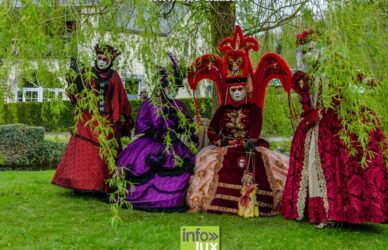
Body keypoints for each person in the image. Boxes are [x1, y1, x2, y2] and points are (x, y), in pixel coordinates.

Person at [280, 30, 388, 227]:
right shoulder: (307, 75)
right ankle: (314, 210)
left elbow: (350, 80)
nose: (309, 54)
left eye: (312, 49)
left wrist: (373, 83)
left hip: (332, 124)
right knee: (310, 164)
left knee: (332, 165)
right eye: (305, 51)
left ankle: (330, 213)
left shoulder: (335, 66)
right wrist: (309, 109)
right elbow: (308, 100)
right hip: (313, 126)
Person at [186, 25, 291, 217]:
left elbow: (254, 131)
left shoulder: (254, 110)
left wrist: (246, 142)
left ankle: (253, 203)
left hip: (249, 148)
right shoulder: (222, 109)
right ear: (228, 91)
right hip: (224, 148)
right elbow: (211, 130)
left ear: (245, 89)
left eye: (239, 90)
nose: (236, 93)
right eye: (233, 90)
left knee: (259, 168)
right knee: (212, 166)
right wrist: (220, 141)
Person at [116, 54, 198, 211]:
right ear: (164, 86)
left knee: (179, 170)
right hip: (152, 144)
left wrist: (184, 127)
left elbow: (187, 125)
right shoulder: (151, 103)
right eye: (170, 87)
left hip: (175, 146)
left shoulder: (179, 105)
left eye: (176, 88)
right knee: (145, 169)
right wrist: (162, 122)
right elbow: (147, 125)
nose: (173, 91)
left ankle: (173, 200)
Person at [52, 44, 132, 193]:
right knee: (85, 151)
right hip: (88, 118)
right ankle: (80, 184)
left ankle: (105, 185)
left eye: (105, 59)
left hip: (107, 120)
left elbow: (120, 97)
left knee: (105, 154)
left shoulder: (114, 76)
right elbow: (78, 93)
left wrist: (122, 118)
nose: (101, 61)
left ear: (110, 61)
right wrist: (72, 81)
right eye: (99, 58)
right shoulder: (87, 72)